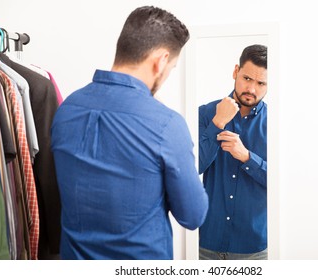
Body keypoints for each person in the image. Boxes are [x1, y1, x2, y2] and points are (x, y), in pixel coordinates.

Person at [50, 6, 208, 260]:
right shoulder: (166, 125)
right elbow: (193, 216)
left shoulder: (66, 109)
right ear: (161, 60)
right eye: (172, 67)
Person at [198, 44, 268, 260]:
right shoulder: (205, 113)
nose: (252, 89)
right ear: (235, 71)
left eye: (261, 83)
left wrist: (247, 157)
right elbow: (193, 167)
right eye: (247, 78)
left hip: (253, 249)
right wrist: (218, 122)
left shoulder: (277, 123)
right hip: (206, 243)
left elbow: (285, 184)